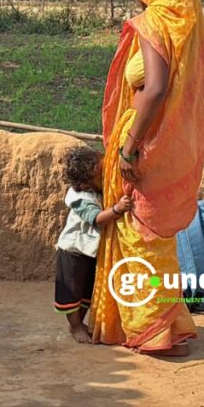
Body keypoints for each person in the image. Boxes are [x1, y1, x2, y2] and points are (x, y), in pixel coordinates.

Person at [89, 0, 204, 357]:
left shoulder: (154, 23)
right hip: (165, 141)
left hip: (142, 143)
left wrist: (128, 149)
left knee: (135, 231)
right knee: (155, 236)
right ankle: (169, 323)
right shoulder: (185, 27)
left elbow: (155, 90)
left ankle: (150, 329)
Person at [55, 146, 133, 344]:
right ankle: (74, 326)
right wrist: (117, 210)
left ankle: (80, 322)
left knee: (87, 291)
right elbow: (96, 219)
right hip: (73, 252)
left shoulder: (96, 191)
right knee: (72, 292)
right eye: (101, 174)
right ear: (87, 182)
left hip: (88, 253)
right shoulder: (81, 199)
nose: (106, 175)